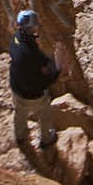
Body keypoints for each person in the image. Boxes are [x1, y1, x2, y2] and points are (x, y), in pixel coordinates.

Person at [9, 9, 60, 148]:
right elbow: (43, 81)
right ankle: (46, 138)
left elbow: (37, 56)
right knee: (45, 113)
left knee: (20, 113)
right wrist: (57, 70)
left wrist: (47, 60)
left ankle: (20, 136)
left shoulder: (16, 38)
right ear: (31, 27)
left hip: (16, 87)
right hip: (31, 94)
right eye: (35, 25)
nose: (37, 27)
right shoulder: (29, 54)